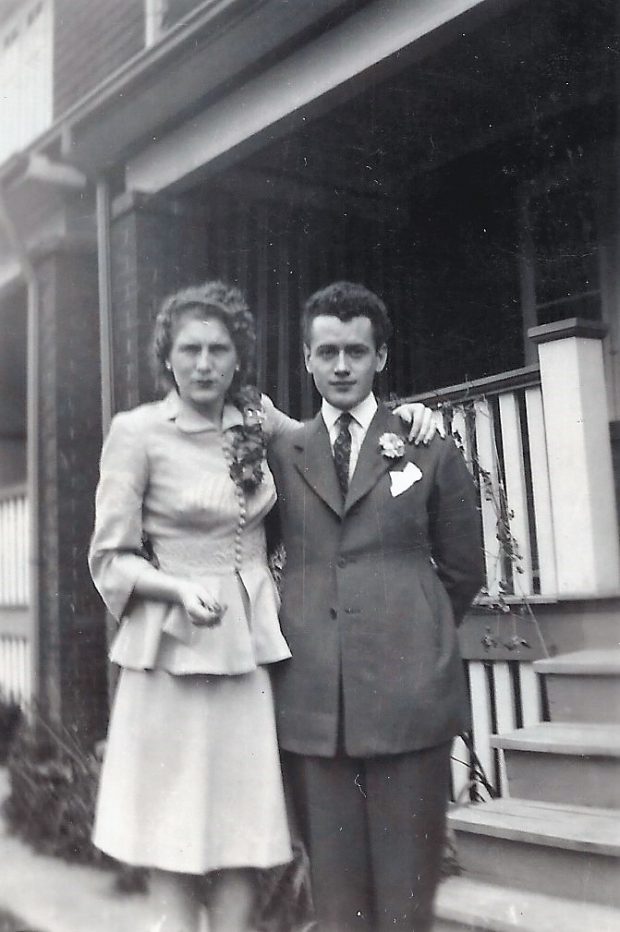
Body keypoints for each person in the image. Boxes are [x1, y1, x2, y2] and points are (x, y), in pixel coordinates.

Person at [88, 280, 437, 932]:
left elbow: (338, 438)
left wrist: (412, 420)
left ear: (238, 358)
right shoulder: (135, 433)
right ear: (167, 355)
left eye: (219, 349)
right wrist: (174, 587)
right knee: (173, 839)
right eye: (189, 349)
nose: (203, 364)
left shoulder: (256, 421)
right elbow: (110, 558)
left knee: (242, 838)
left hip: (249, 650)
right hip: (171, 655)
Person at [268, 282, 485, 932]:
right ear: (307, 358)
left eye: (356, 352)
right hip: (314, 704)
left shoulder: (427, 446)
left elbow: (464, 569)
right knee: (338, 905)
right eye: (327, 351)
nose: (341, 365)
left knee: (407, 900)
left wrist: (407, 627)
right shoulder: (281, 456)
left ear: (380, 358)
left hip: (408, 700)